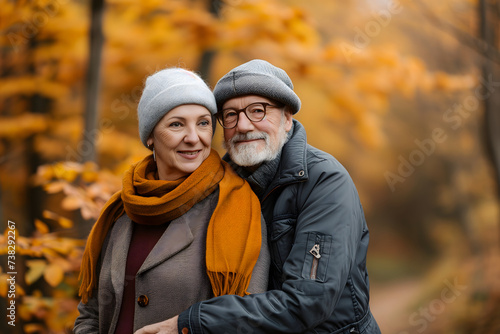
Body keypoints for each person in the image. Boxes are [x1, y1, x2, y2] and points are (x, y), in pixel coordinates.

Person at [136, 59, 381, 334]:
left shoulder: (324, 182)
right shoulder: (217, 184)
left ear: (287, 119)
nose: (242, 125)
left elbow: (309, 300)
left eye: (257, 110)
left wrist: (194, 323)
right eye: (230, 115)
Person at [73, 67, 269, 334]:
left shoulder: (239, 208)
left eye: (202, 123)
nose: (193, 137)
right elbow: (91, 314)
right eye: (177, 124)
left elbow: (247, 318)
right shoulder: (123, 208)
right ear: (150, 136)